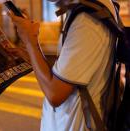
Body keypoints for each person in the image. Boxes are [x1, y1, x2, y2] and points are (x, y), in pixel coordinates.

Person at [8, 0, 118, 130]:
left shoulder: (87, 21)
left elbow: (55, 94)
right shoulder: (83, 10)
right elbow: (66, 70)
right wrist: (32, 56)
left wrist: (30, 40)